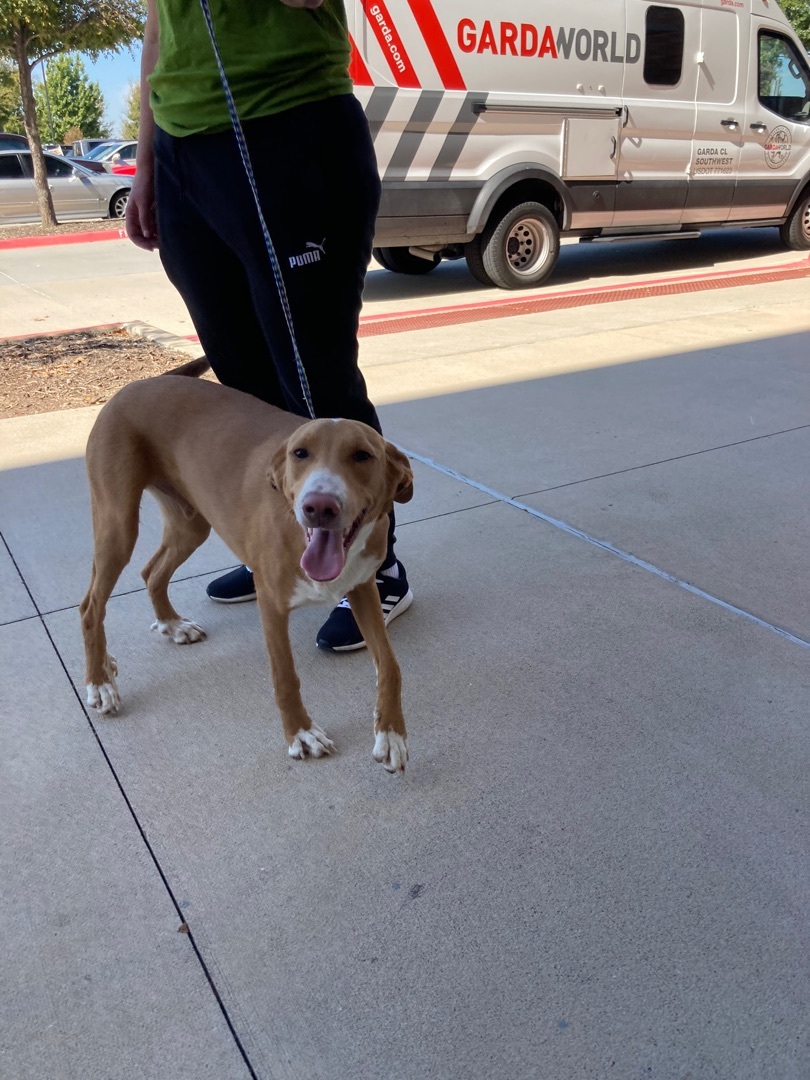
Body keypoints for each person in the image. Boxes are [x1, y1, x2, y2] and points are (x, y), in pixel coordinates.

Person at [126, 0, 411, 652]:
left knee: (315, 380)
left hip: (283, 120)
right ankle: (285, 543)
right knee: (245, 381)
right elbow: (156, 27)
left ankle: (377, 567)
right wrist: (147, 163)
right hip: (181, 148)